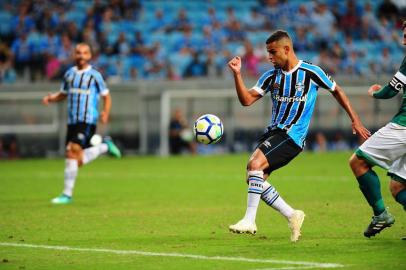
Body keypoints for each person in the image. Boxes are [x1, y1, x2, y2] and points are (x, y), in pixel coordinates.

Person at [228, 30, 370, 242]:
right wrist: (237, 75)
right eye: (268, 52)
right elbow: (247, 100)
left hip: (292, 136)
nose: (269, 57)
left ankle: (249, 220)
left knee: (254, 164)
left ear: (286, 49)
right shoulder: (270, 76)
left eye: (273, 52)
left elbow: (336, 90)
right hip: (274, 133)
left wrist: (355, 119)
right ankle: (292, 215)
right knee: (253, 179)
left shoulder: (310, 72)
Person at [42, 43, 121, 205]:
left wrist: (105, 112)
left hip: (87, 120)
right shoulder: (69, 74)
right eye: (78, 53)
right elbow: (63, 94)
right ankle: (105, 146)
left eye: (85, 53)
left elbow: (106, 96)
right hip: (72, 121)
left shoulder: (94, 75)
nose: (81, 56)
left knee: (72, 151)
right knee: (75, 160)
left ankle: (66, 195)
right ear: (74, 55)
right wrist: (51, 98)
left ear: (90, 56)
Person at [349, 21, 406, 239]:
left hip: (403, 127)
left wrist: (374, 92)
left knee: (357, 161)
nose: (403, 40)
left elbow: (391, 90)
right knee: (398, 187)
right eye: (403, 34)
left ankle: (380, 214)